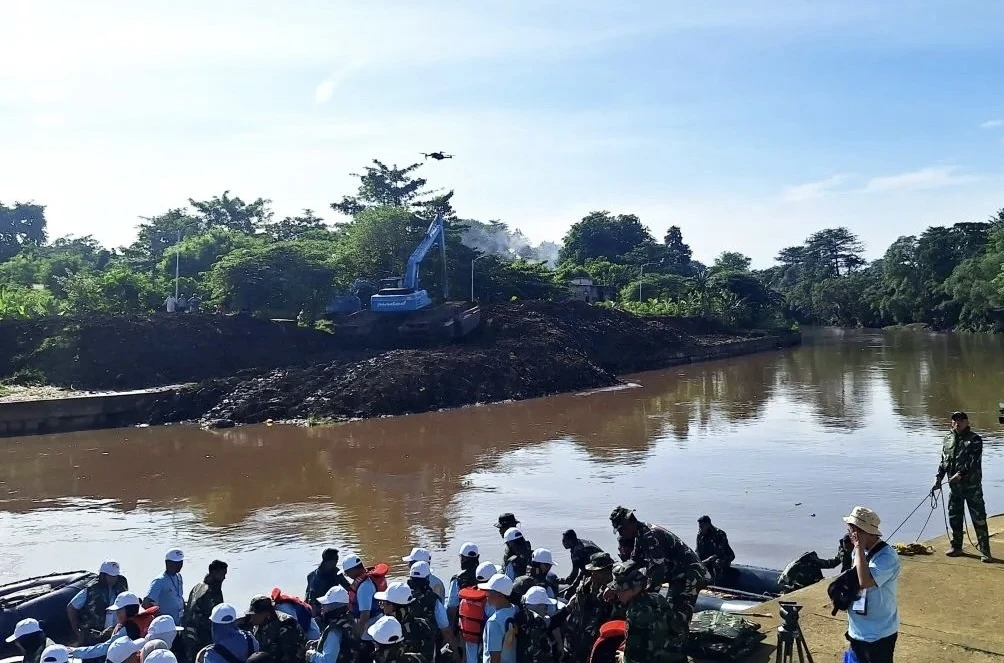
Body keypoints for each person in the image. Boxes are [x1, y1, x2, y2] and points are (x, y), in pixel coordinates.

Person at [609, 507, 708, 655]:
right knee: (669, 611)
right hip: (676, 574)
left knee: (677, 615)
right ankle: (673, 646)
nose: (621, 534)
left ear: (629, 524)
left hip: (689, 575)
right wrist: (615, 583)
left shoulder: (649, 536)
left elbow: (657, 571)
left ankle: (678, 651)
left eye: (621, 530)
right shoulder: (640, 534)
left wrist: (648, 595)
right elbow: (634, 561)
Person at [842, 506, 900, 663]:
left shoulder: (887, 557)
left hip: (879, 634)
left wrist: (859, 547)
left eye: (852, 530)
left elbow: (865, 582)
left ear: (863, 531)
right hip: (857, 631)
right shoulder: (858, 552)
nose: (850, 534)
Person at [933, 411, 993, 562]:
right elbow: (944, 461)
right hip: (955, 488)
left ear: (967, 422)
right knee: (955, 517)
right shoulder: (947, 439)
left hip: (972, 487)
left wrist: (960, 474)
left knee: (979, 518)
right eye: (955, 420)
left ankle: (985, 552)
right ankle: (956, 547)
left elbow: (973, 461)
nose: (957, 423)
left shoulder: (975, 439)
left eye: (961, 420)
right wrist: (939, 478)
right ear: (952, 423)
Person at [608, 560, 676, 662]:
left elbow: (633, 657)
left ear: (634, 588)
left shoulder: (635, 613)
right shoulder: (657, 598)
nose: (618, 593)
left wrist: (623, 658)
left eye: (620, 589)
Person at [558, 552, 619, 663]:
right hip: (577, 639)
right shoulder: (586, 585)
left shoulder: (615, 592)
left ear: (607, 572)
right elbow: (575, 604)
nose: (593, 574)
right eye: (592, 571)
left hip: (599, 643)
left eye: (596, 572)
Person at [68, 560, 129, 645]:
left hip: (113, 632)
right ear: (103, 575)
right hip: (92, 634)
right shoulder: (91, 590)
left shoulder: (121, 587)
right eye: (111, 576)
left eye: (116, 576)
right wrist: (77, 631)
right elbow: (71, 608)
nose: (114, 579)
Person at [374, 582, 436, 662]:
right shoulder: (423, 625)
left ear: (394, 607)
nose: (382, 607)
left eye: (384, 603)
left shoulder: (386, 629)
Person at [406, 561, 454, 661]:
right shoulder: (434, 600)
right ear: (427, 578)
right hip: (429, 649)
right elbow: (445, 629)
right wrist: (456, 651)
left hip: (406, 649)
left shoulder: (402, 597)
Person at [184, 560, 228, 659]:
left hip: (191, 634)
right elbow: (212, 618)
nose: (224, 578)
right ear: (214, 572)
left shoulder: (199, 586)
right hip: (201, 636)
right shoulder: (209, 592)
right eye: (223, 574)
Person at [455, 562, 498, 663]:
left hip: (470, 649)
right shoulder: (490, 601)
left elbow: (461, 627)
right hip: (486, 650)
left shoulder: (465, 600)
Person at [778, 537, 853, 593]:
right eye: (846, 548)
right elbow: (833, 564)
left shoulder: (809, 562)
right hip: (793, 578)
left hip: (793, 576)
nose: (847, 550)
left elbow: (833, 564)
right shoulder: (808, 565)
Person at [243, 596, 305, 663]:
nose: (252, 618)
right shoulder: (259, 623)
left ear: (266, 613)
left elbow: (291, 655)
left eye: (255, 614)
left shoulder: (286, 623)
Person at [306, 587, 358, 663]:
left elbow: (328, 661)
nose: (322, 607)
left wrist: (311, 654)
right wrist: (321, 642)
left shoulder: (335, 630)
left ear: (334, 607)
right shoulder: (349, 621)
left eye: (326, 604)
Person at [477, 574, 518, 663]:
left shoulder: (494, 621)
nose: (486, 594)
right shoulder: (516, 610)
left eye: (489, 591)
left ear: (500, 595)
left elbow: (495, 657)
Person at [343, 555, 381, 638]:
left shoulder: (364, 587)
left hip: (369, 628)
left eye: (347, 573)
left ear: (353, 570)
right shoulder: (369, 578)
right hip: (376, 620)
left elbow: (365, 615)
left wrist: (358, 635)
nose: (347, 576)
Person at [518, 587, 559, 663]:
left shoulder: (519, 615)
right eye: (545, 606)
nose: (547, 610)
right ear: (538, 605)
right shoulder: (538, 622)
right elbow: (542, 654)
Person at [145, 549, 186, 623]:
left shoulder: (179, 577)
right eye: (176, 563)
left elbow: (179, 597)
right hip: (165, 624)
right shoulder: (159, 581)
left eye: (181, 562)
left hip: (179, 621)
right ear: (167, 563)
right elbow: (146, 603)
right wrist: (157, 617)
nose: (179, 565)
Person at [446, 542, 481, 626]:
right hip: (483, 621)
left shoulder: (457, 579)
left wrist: (450, 629)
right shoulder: (485, 575)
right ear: (478, 557)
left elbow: (452, 607)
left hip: (464, 623)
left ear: (462, 559)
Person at [558, 530, 601, 595]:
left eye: (564, 541)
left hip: (597, 572)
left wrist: (565, 581)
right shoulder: (585, 542)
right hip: (604, 566)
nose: (563, 543)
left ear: (570, 540)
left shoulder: (577, 551)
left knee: (572, 593)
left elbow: (575, 574)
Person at [696, 516, 736, 586]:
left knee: (717, 563)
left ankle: (718, 584)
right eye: (699, 527)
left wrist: (707, 561)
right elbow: (698, 551)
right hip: (709, 555)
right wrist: (697, 561)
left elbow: (720, 552)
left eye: (702, 527)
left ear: (708, 525)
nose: (700, 529)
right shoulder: (700, 535)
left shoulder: (720, 534)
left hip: (725, 555)